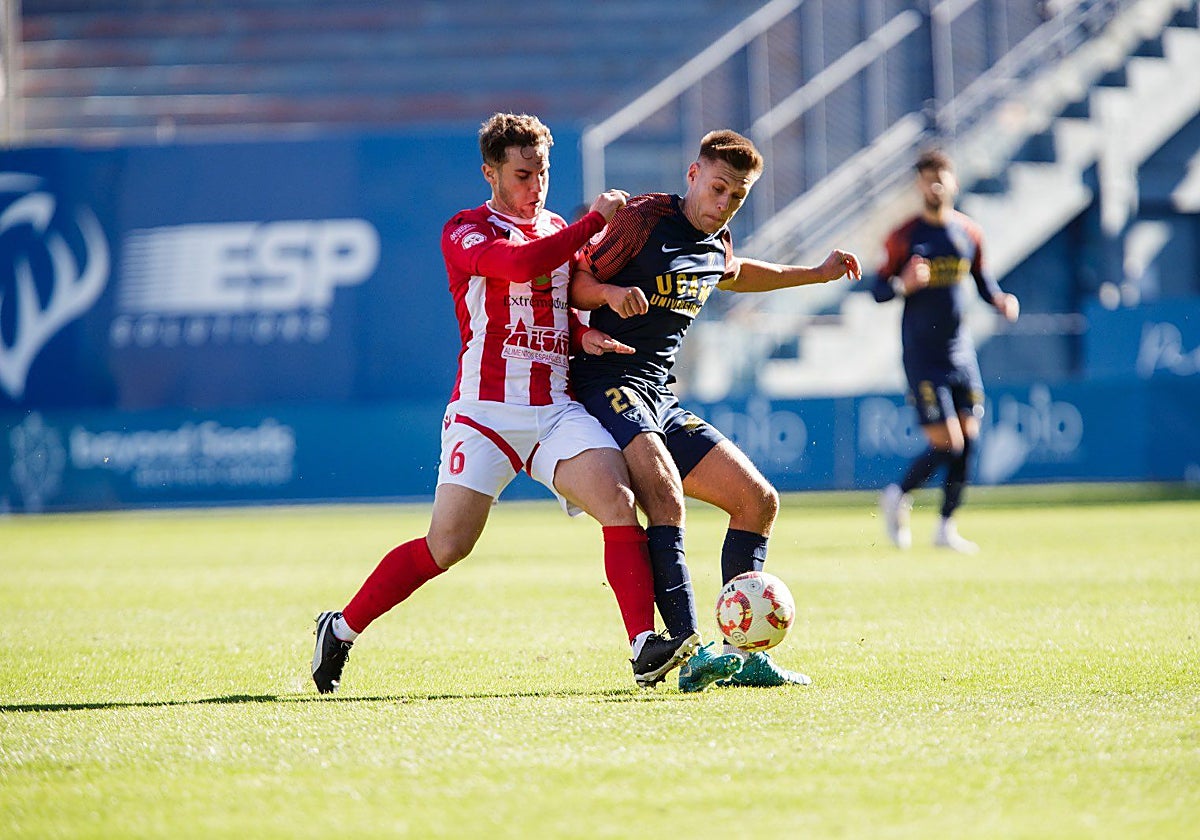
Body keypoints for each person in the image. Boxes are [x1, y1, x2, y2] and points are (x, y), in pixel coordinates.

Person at [312, 113, 703, 695]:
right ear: (490, 172)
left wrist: (584, 331)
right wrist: (594, 221)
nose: (535, 187)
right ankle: (340, 628)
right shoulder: (467, 229)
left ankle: (642, 646)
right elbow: (520, 267)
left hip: (554, 409)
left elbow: (556, 303)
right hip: (485, 412)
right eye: (522, 174)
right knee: (447, 546)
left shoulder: (555, 226)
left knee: (619, 504)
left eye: (542, 173)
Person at [568, 129, 862, 692]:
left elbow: (738, 272)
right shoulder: (643, 220)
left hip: (658, 393)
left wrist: (815, 274)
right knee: (664, 493)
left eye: (737, 196)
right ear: (693, 175)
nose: (723, 203)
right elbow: (575, 280)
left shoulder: (716, 238)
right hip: (604, 378)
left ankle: (743, 654)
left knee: (757, 500)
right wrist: (606, 297)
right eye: (718, 188)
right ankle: (685, 643)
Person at [872, 148, 1020, 553]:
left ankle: (945, 527)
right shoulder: (905, 235)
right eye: (926, 178)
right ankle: (897, 494)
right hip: (922, 355)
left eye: (940, 176)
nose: (933, 184)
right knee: (949, 443)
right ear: (919, 186)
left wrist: (1001, 300)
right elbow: (878, 289)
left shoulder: (968, 233)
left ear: (953, 181)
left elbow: (983, 280)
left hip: (961, 353)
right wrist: (904, 283)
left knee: (968, 442)